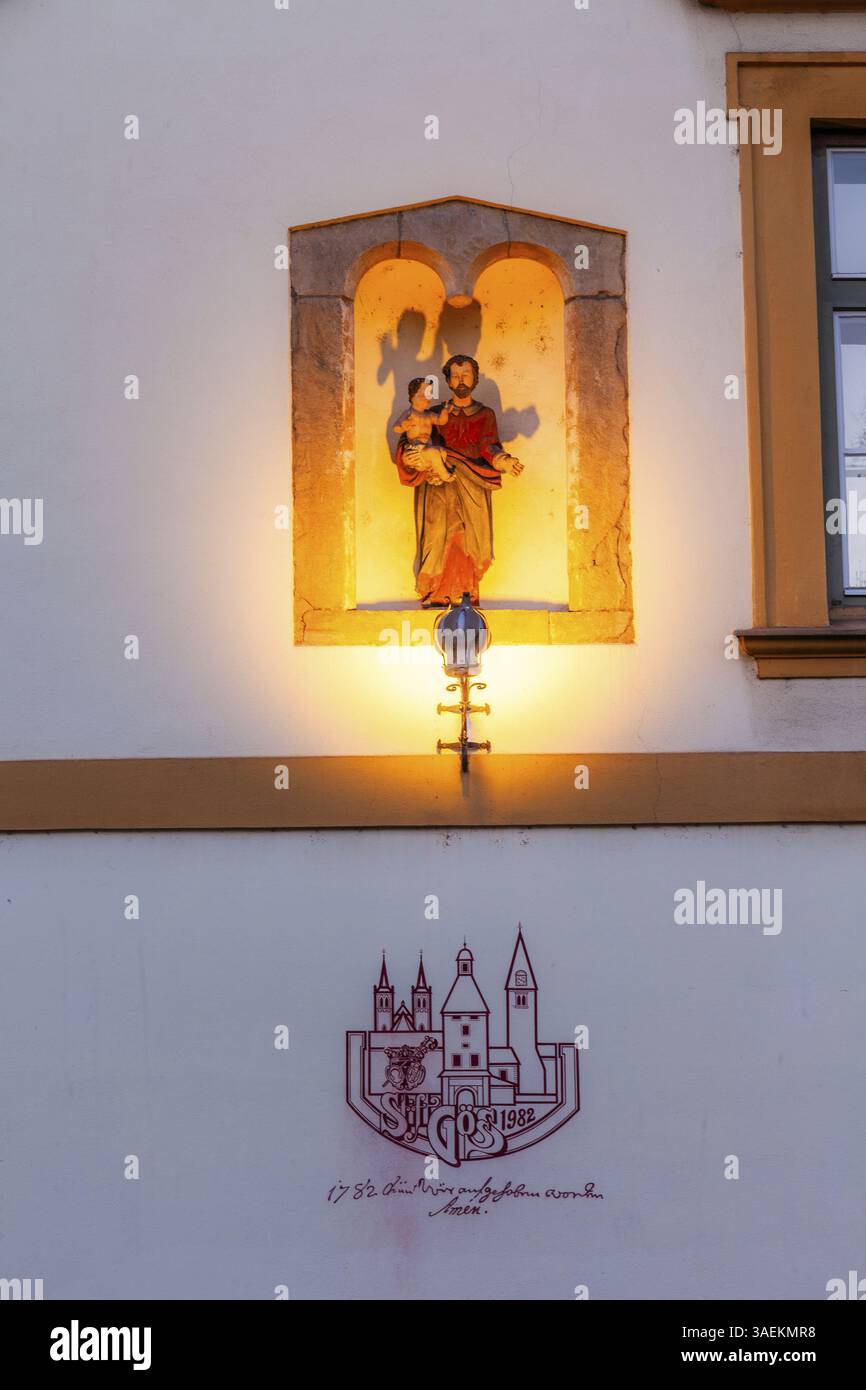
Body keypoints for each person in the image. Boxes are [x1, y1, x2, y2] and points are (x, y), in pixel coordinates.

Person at [393, 354, 524, 607]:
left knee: (469, 537)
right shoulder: (434, 413)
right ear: (448, 381)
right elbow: (412, 440)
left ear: (474, 378)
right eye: (455, 375)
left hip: (472, 482)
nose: (460, 380)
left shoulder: (485, 414)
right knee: (437, 535)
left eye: (465, 375)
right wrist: (408, 455)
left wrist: (503, 461)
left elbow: (489, 446)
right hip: (439, 484)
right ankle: (436, 591)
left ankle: (465, 591)